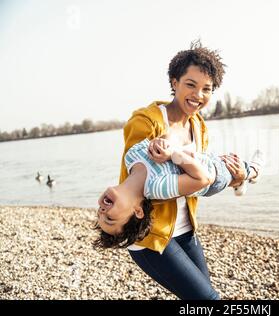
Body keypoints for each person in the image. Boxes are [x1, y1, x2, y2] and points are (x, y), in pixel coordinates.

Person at [94, 41, 247, 300]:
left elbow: (200, 175)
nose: (198, 95)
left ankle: (246, 176)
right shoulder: (146, 121)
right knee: (208, 300)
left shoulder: (199, 126)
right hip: (153, 237)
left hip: (187, 228)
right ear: (174, 82)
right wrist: (172, 151)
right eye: (190, 84)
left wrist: (232, 177)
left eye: (206, 89)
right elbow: (142, 181)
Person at [95, 134, 262, 238]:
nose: (102, 212)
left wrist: (161, 143)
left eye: (100, 215)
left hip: (202, 158)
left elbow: (165, 136)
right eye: (109, 219)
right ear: (138, 211)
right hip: (214, 175)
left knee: (233, 165)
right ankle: (254, 172)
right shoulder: (156, 186)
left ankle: (239, 183)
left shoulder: (131, 156)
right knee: (241, 168)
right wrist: (173, 154)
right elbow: (202, 179)